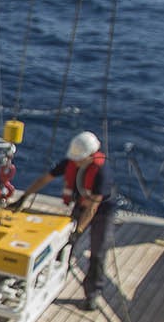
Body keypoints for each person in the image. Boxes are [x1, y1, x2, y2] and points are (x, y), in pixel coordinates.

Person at [12, 131, 111, 312]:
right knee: (62, 245)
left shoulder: (102, 173)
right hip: (81, 205)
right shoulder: (71, 163)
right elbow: (45, 179)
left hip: (101, 211)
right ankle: (51, 280)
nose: (77, 163)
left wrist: (78, 230)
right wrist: (24, 197)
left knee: (98, 252)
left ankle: (93, 293)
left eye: (80, 159)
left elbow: (93, 208)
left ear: (90, 156)